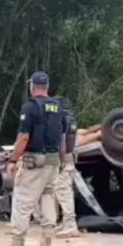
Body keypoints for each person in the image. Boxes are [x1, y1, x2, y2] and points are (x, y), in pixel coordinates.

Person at [0, 71, 65, 246]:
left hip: (35, 161)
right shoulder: (58, 106)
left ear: (32, 86)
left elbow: (24, 137)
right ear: (47, 87)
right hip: (53, 161)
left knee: (21, 200)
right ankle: (47, 245)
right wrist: (61, 161)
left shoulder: (31, 107)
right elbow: (62, 138)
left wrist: (13, 160)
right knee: (47, 199)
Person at [53, 96, 80, 238]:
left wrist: (60, 162)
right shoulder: (71, 120)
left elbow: (61, 142)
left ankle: (70, 224)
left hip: (63, 158)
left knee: (63, 191)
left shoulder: (60, 120)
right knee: (63, 191)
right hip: (70, 157)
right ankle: (65, 222)